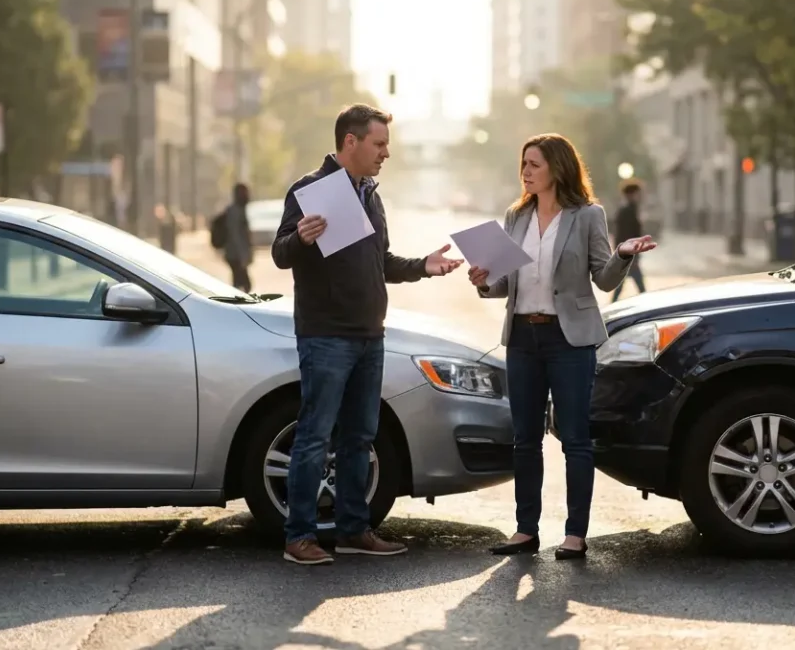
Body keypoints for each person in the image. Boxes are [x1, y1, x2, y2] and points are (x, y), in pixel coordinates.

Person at [271, 103, 463, 566]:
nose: (386, 154)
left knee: (360, 437)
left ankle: (355, 530)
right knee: (315, 436)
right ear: (350, 142)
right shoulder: (310, 190)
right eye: (379, 144)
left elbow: (382, 263)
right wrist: (302, 238)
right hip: (326, 336)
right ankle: (299, 538)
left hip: (368, 335)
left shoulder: (370, 195)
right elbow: (281, 254)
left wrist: (424, 267)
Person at [469, 133, 656, 560]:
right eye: (523, 164)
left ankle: (575, 534)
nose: (526, 172)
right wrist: (483, 281)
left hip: (568, 339)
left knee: (575, 438)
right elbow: (502, 284)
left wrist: (623, 255)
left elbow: (605, 280)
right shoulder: (515, 216)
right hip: (522, 337)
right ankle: (525, 530)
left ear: (557, 167)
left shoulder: (588, 216)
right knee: (524, 439)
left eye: (534, 164)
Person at [211, 183, 253, 292]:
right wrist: (243, 256)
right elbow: (236, 235)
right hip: (235, 255)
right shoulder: (236, 212)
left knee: (239, 282)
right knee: (244, 284)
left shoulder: (237, 210)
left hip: (234, 254)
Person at [611, 179, 648, 301]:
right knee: (638, 283)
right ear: (631, 194)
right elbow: (624, 233)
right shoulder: (627, 210)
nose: (639, 196)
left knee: (623, 283)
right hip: (629, 253)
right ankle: (647, 303)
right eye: (637, 193)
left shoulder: (630, 209)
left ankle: (612, 303)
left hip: (629, 252)